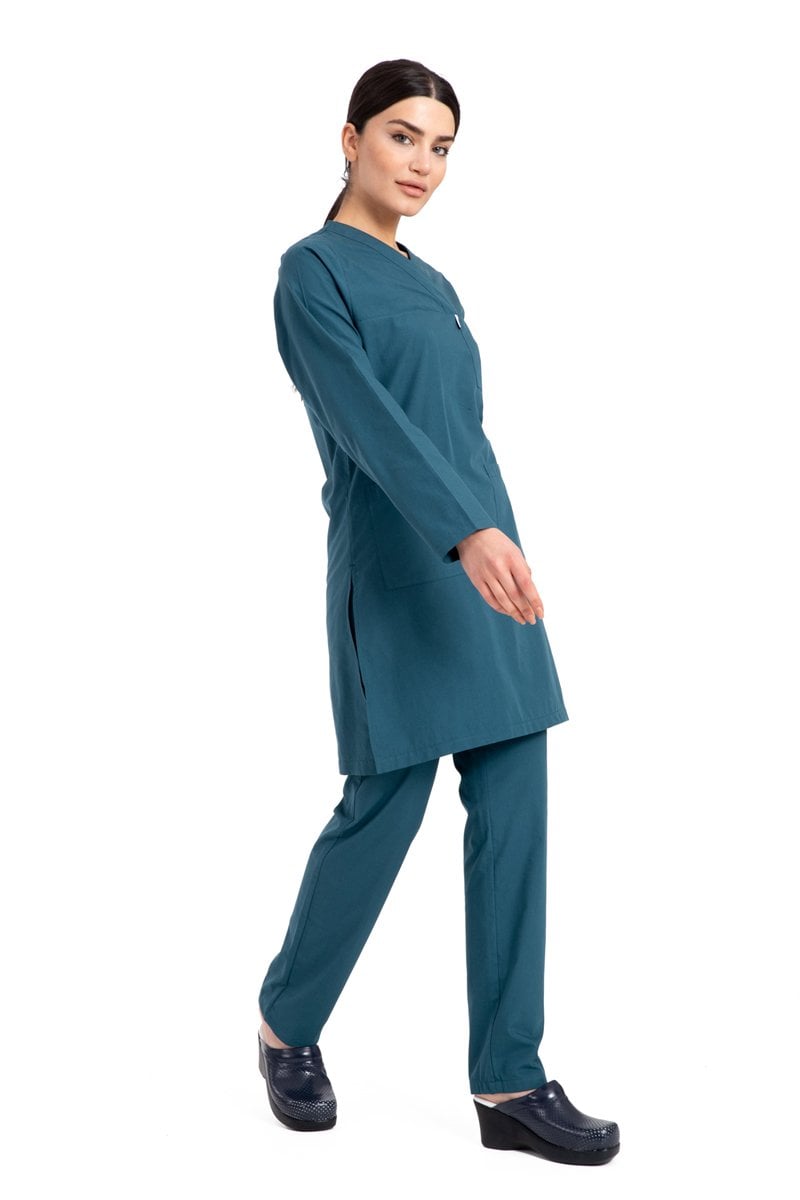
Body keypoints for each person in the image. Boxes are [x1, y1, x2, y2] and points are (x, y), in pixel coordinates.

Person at [256, 58, 620, 1166]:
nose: (423, 163)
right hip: (401, 568)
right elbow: (367, 422)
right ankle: (285, 1025)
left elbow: (460, 429)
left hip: (486, 570)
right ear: (351, 139)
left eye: (443, 147)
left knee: (516, 808)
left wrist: (495, 539)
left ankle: (509, 1080)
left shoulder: (437, 280)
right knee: (384, 809)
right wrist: (464, 533)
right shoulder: (311, 272)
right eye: (403, 136)